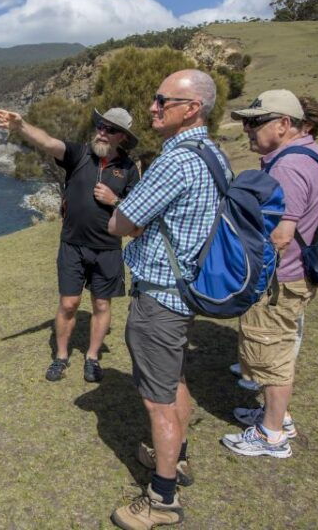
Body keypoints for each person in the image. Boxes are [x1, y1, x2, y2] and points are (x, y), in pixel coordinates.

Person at [103, 69, 225, 529]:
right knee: (174, 380)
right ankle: (178, 456)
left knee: (158, 401)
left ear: (191, 109)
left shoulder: (175, 161)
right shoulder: (212, 154)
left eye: (162, 101)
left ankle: (162, 499)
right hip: (187, 290)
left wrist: (126, 215)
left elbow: (120, 222)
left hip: (160, 297)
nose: (152, 107)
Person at [0, 106, 140, 383]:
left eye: (110, 130)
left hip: (108, 248)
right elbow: (48, 142)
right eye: (100, 126)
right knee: (69, 303)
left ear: (122, 137)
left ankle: (92, 358)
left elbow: (136, 211)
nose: (102, 132)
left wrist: (114, 200)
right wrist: (22, 126)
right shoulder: (79, 153)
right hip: (72, 245)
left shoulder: (129, 169)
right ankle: (61, 357)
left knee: (102, 305)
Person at [222, 90, 318, 458]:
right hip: (296, 273)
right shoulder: (312, 153)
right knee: (277, 348)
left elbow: (281, 236)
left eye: (255, 122)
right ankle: (275, 416)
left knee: (272, 354)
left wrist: (245, 265)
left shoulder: (288, 167)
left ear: (284, 124)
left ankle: (271, 434)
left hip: (279, 280)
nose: (247, 130)